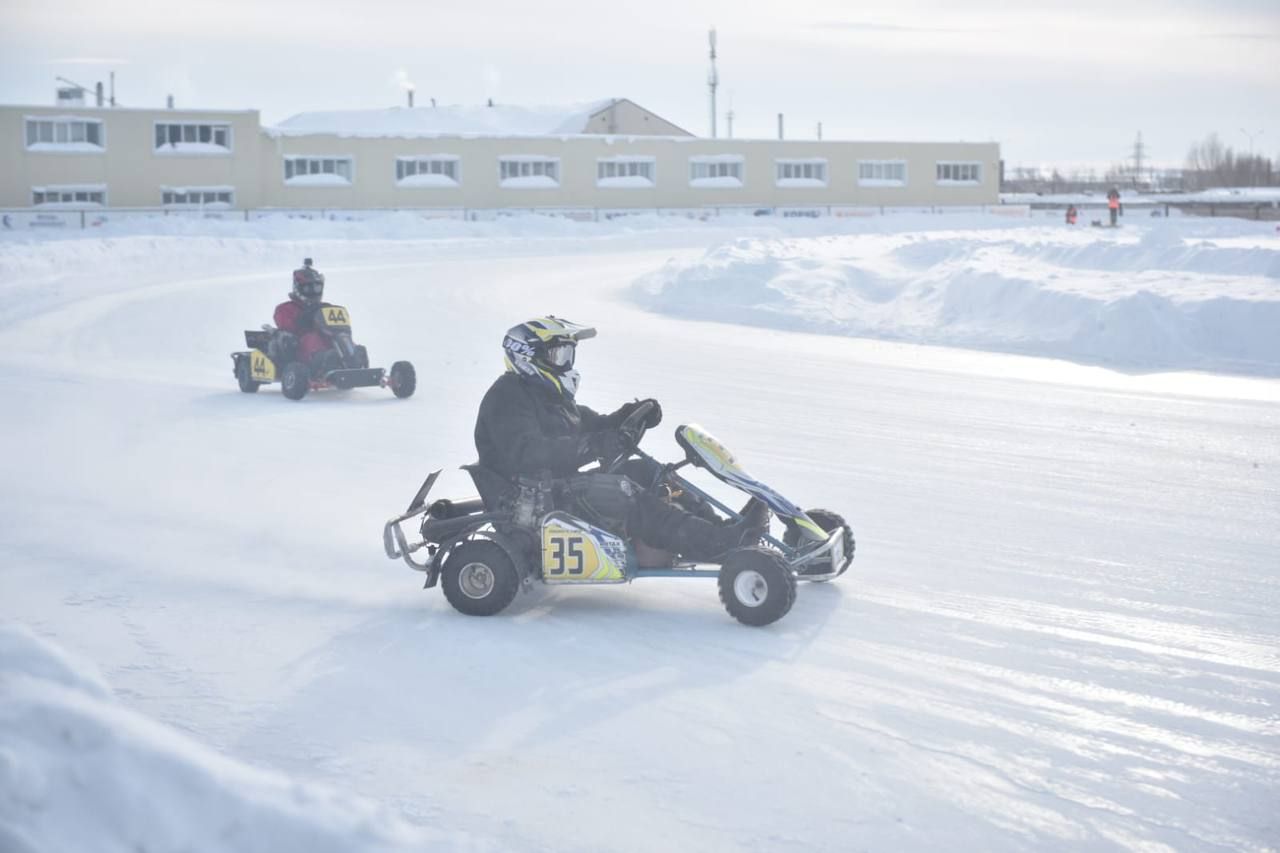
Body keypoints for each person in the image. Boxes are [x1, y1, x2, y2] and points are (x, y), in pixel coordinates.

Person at [473, 316, 770, 563]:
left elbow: (591, 424)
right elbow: (529, 453)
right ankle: (716, 544)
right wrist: (594, 445)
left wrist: (631, 415)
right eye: (558, 355)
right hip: (533, 501)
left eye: (567, 355)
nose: (565, 363)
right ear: (527, 357)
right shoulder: (507, 398)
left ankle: (721, 529)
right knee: (624, 492)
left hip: (558, 487)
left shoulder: (547, 396)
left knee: (649, 472)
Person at [271, 259, 332, 370]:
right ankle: (323, 361)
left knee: (339, 337)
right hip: (299, 351)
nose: (313, 292)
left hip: (326, 341)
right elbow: (286, 328)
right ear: (298, 288)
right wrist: (304, 319)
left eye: (317, 288)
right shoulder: (285, 308)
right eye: (308, 288)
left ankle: (353, 357)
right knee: (312, 338)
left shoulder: (325, 307)